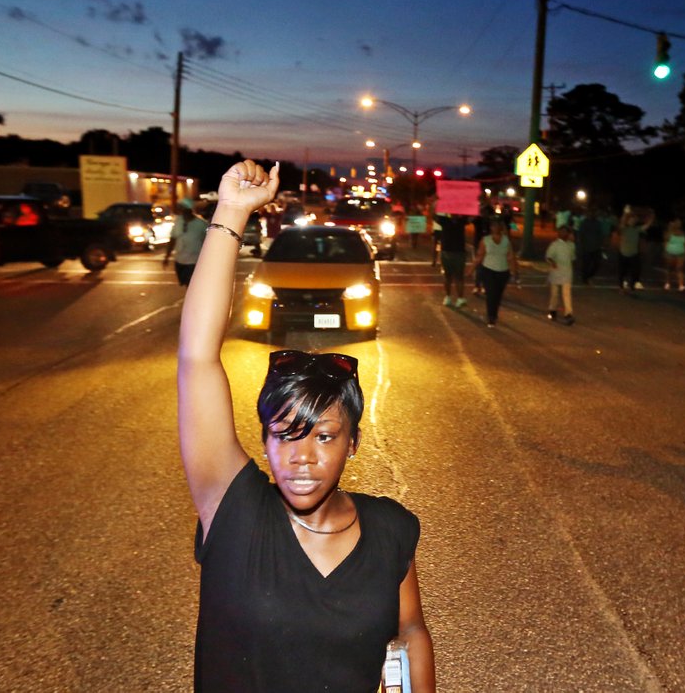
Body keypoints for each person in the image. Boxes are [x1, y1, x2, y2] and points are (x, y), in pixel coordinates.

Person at [178, 160, 435, 692]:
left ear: (353, 443)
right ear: (265, 440)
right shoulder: (236, 514)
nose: (302, 457)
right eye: (286, 434)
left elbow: (408, 630)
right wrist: (231, 211)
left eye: (324, 436)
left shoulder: (390, 529)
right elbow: (197, 358)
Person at [472, 216, 520, 328]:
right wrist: (471, 269)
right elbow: (479, 256)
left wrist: (514, 271)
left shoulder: (506, 241)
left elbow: (511, 256)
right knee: (490, 294)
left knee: (497, 295)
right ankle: (491, 317)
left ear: (501, 227)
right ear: (491, 228)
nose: (495, 228)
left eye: (498, 225)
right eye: (493, 225)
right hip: (488, 270)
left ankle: (494, 314)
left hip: (503, 272)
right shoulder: (486, 240)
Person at [164, 198, 208, 286]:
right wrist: (167, 256)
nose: (180, 210)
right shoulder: (178, 221)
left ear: (189, 209)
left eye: (182, 208)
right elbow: (173, 238)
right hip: (180, 260)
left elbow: (207, 243)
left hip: (194, 261)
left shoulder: (201, 224)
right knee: (185, 284)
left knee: (191, 285)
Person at [434, 209, 470, 308]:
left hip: (459, 253)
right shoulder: (444, 220)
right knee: (447, 276)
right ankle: (448, 297)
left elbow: (473, 217)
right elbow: (433, 215)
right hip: (447, 252)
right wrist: (434, 204)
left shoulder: (462, 220)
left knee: (459, 276)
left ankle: (460, 298)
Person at [545, 224, 575, 325]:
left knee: (566, 294)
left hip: (566, 272)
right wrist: (552, 262)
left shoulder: (571, 245)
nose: (563, 234)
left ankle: (568, 314)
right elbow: (548, 256)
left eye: (565, 232)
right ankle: (552, 309)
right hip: (556, 272)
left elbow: (572, 258)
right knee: (555, 294)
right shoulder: (555, 245)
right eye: (561, 232)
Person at [616, 210, 652, 293]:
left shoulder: (637, 229)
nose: (633, 221)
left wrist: (650, 218)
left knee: (635, 271)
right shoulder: (624, 228)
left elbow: (646, 226)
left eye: (634, 220)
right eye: (631, 220)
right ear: (628, 220)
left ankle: (632, 285)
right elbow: (621, 223)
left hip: (634, 253)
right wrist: (625, 213)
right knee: (622, 271)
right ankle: (621, 286)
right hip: (623, 252)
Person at [576, 208, 605, 285]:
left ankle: (588, 276)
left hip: (596, 247)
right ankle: (585, 278)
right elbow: (580, 235)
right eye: (590, 213)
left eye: (593, 213)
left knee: (597, 264)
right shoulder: (584, 223)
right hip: (586, 247)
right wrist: (580, 245)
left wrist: (601, 245)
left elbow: (601, 235)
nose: (591, 215)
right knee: (586, 264)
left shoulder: (598, 223)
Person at [663, 218, 685, 291]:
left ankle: (681, 285)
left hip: (681, 253)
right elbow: (665, 242)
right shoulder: (669, 232)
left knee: (680, 269)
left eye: (679, 223)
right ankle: (667, 283)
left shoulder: (682, 233)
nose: (679, 224)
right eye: (677, 223)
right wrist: (666, 251)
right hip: (670, 253)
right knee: (669, 269)